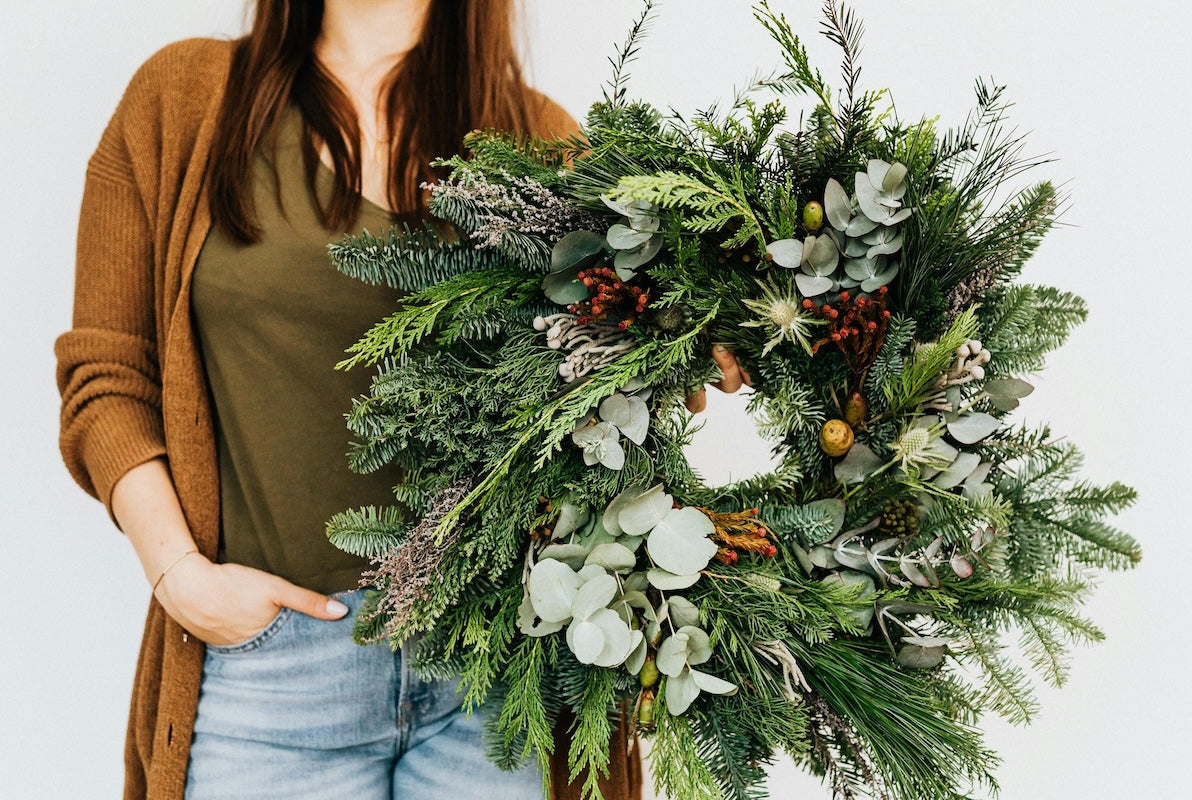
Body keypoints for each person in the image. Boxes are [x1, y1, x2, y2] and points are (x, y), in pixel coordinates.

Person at [57, 1, 749, 797]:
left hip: (493, 682)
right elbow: (107, 378)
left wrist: (695, 335)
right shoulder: (181, 101)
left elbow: (603, 378)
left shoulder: (541, 145)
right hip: (270, 675)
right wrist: (180, 575)